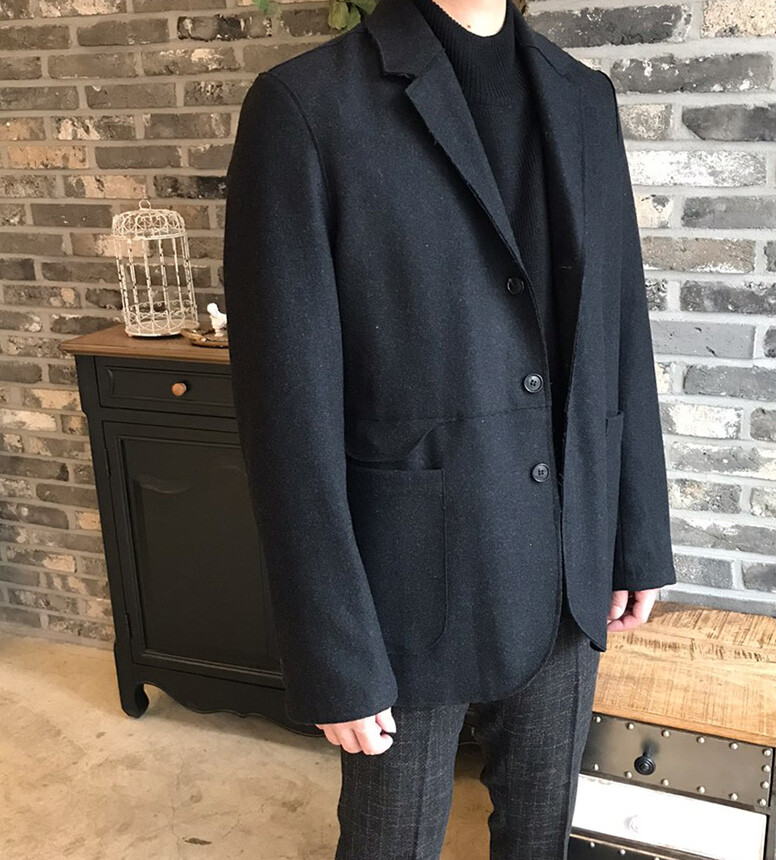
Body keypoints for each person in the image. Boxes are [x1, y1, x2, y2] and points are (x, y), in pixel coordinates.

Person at [222, 0, 676, 856]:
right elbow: (286, 416)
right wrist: (331, 650)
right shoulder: (306, 105)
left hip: (568, 567)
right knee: (390, 843)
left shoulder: (584, 98)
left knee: (540, 838)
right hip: (407, 590)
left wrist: (638, 536)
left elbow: (620, 326)